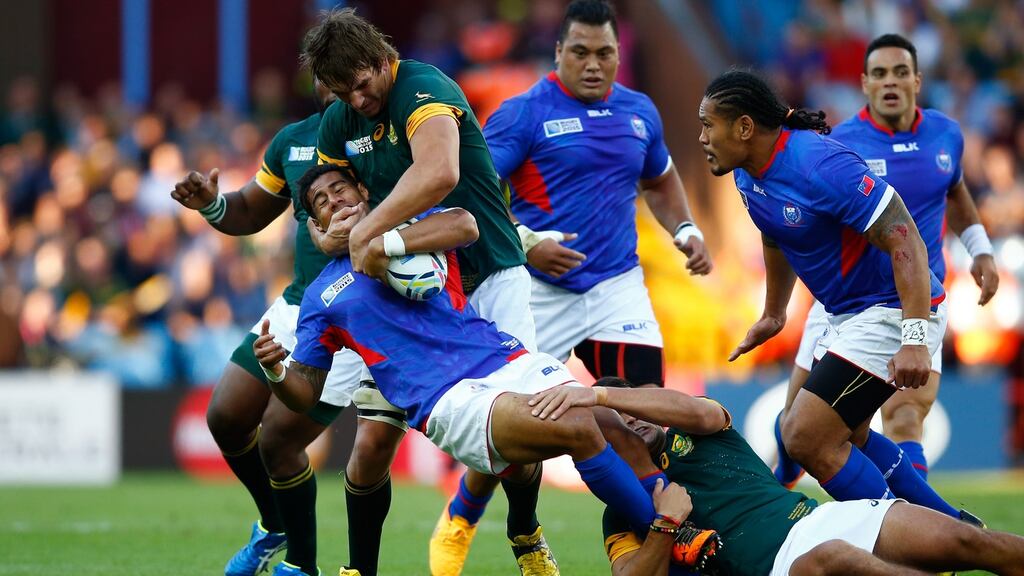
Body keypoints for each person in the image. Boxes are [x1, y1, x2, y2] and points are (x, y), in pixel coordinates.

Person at [256, 164, 663, 575]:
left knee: (610, 424)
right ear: (317, 225)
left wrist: (377, 242)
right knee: (576, 427)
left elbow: (465, 224)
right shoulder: (322, 295)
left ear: (362, 190)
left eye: (339, 188)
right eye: (321, 201)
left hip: (502, 358)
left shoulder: (411, 229)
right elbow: (305, 391)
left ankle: (658, 532)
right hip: (449, 397)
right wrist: (276, 371)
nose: (334, 200)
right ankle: (670, 534)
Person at [431, 1, 714, 567]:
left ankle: (645, 545)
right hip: (536, 291)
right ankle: (465, 510)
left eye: (604, 53)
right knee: (522, 424)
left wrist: (684, 228)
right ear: (558, 52)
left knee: (645, 422)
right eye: (580, 52)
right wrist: (528, 241)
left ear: (619, 54)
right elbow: (473, 193)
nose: (593, 64)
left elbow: (660, 179)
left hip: (616, 287)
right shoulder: (523, 114)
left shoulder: (639, 112)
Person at [300, 9, 550, 575]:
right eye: (342, 92)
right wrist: (327, 232)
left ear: (382, 58)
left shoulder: (423, 87)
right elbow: (319, 199)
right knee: (371, 446)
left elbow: (439, 173)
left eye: (362, 84)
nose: (357, 100)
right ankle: (359, 569)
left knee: (525, 433)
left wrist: (365, 234)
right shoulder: (340, 120)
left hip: (488, 273)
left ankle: (524, 532)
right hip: (410, 298)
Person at [697, 70, 973, 522]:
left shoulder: (819, 164)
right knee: (850, 435)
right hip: (844, 314)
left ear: (744, 127)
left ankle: (908, 540)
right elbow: (774, 233)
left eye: (709, 124)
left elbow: (905, 237)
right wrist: (773, 312)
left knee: (803, 434)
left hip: (890, 308)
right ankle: (953, 528)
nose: (702, 137)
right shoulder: (746, 173)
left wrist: (914, 337)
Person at [170, 82, 403, 576]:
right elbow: (250, 210)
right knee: (226, 417)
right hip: (297, 304)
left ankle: (301, 564)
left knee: (279, 441)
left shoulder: (388, 132)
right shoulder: (292, 140)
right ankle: (274, 524)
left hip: (354, 314)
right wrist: (212, 204)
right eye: (323, 69)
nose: (332, 79)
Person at [774, 33, 999, 488]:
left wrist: (980, 248)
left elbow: (955, 191)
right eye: (879, 74)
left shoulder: (946, 135)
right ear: (864, 83)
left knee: (906, 414)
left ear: (917, 80)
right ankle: (781, 490)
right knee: (796, 419)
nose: (890, 82)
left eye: (900, 72)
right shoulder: (840, 143)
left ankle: (920, 524)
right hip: (846, 302)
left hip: (918, 299)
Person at [526, 378, 1024, 575]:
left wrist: (601, 395)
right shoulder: (621, 511)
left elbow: (696, 411)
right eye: (619, 422)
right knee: (831, 559)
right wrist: (664, 524)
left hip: (821, 518)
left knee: (967, 540)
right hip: (778, 568)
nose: (632, 419)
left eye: (636, 404)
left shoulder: (700, 430)